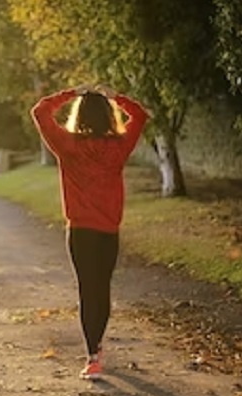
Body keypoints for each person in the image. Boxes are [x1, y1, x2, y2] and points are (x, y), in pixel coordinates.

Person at [30, 83, 149, 380]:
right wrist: (116, 97)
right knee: (102, 288)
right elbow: (140, 115)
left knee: (87, 290)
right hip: (108, 231)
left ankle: (92, 355)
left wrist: (71, 93)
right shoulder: (118, 147)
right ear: (108, 116)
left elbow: (40, 111)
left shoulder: (68, 146)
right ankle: (97, 347)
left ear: (79, 115)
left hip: (81, 231)